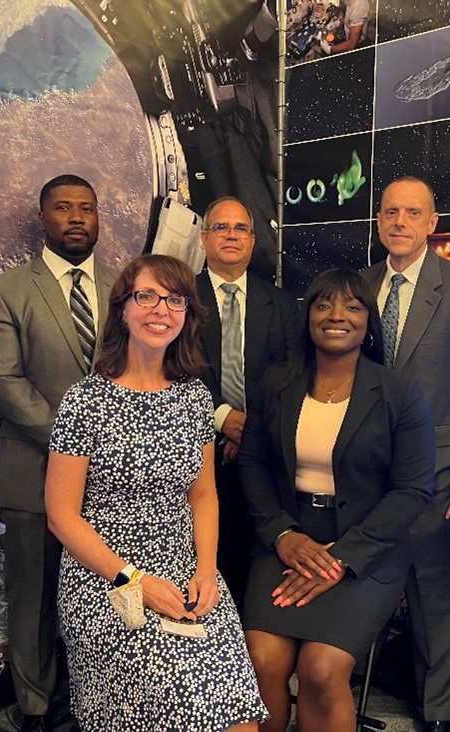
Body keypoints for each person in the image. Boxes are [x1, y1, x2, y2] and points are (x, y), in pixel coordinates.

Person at [44, 254, 268, 732]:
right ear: (122, 309)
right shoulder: (84, 400)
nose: (160, 309)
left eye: (174, 299)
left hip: (186, 568)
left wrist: (208, 570)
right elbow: (62, 517)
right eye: (146, 296)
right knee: (175, 703)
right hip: (104, 577)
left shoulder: (194, 397)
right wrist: (132, 580)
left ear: (187, 314)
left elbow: (203, 496)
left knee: (240, 720)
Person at [239, 268, 436, 732]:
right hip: (286, 541)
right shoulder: (275, 383)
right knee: (262, 661)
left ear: (369, 322)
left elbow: (412, 490)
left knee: (321, 670)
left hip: (367, 549)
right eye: (323, 304)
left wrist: (343, 558)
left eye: (352, 306)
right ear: (307, 316)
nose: (336, 316)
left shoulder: (398, 391)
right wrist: (281, 534)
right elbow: (253, 465)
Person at [0, 174, 119, 731]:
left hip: (116, 483)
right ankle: (34, 710)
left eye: (87, 208)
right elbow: (2, 382)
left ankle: (99, 703)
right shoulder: (6, 290)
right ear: (43, 218)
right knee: (33, 601)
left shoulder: (123, 288)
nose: (77, 218)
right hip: (34, 473)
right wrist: (79, 443)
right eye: (64, 208)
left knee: (106, 595)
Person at [362, 176, 450, 732]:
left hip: (438, 469)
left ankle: (441, 712)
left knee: (434, 589)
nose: (400, 221)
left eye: (411, 213)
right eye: (390, 211)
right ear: (379, 220)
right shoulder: (362, 285)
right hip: (366, 466)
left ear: (431, 222)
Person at [196, 196, 297, 610]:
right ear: (204, 239)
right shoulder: (179, 298)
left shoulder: (281, 303)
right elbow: (174, 368)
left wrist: (249, 428)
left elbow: (292, 372)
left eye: (241, 229)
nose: (232, 235)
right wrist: (223, 418)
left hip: (264, 453)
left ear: (254, 242)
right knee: (203, 556)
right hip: (197, 450)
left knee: (251, 559)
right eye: (222, 228)